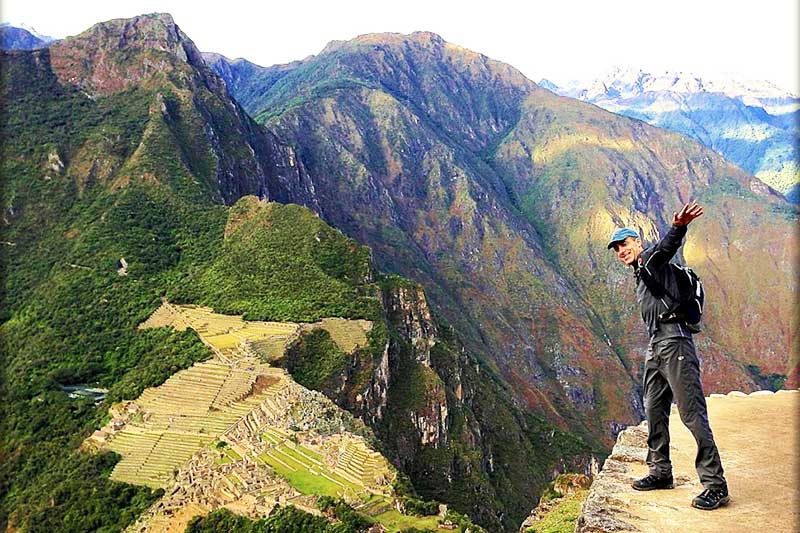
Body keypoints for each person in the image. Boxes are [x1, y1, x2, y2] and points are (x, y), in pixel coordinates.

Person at [607, 201, 729, 510]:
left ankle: (716, 485)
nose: (621, 250)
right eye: (617, 247)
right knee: (653, 408)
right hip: (656, 346)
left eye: (625, 243)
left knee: (691, 413)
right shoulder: (640, 273)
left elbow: (666, 247)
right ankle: (660, 471)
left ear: (637, 242)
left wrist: (678, 227)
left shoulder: (651, 261)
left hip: (675, 343)